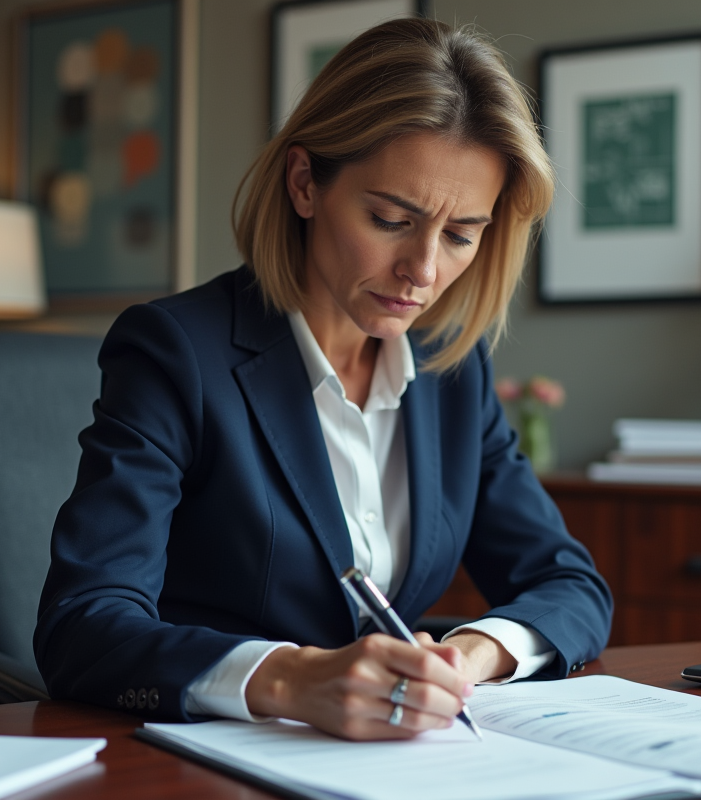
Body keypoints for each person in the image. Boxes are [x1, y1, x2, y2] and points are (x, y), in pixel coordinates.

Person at [34, 17, 612, 741]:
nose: (424, 270)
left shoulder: (451, 370)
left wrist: (468, 656)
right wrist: (291, 679)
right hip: (204, 758)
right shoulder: (176, 353)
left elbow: (570, 586)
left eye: (461, 234)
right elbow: (82, 625)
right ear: (305, 183)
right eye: (390, 219)